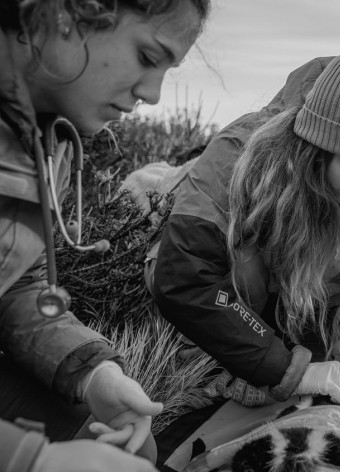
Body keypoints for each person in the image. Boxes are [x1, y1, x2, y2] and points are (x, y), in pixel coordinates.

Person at [148, 50, 340, 418]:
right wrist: (291, 372)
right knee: (243, 260)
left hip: (275, 306)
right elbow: (184, 276)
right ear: (317, 144)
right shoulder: (235, 153)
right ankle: (209, 369)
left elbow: (339, 289)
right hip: (201, 300)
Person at [0, 1, 210, 471]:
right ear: (65, 13)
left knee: (129, 450)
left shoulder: (43, 134)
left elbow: (14, 286)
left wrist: (93, 372)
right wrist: (31, 459)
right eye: (149, 56)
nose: (154, 94)